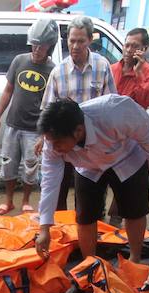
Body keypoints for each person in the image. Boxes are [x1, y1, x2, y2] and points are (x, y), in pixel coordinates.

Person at [35, 97, 149, 263]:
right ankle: (90, 263)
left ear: (78, 131)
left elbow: (148, 134)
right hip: (88, 167)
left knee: (134, 211)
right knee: (85, 216)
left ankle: (135, 258)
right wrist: (44, 229)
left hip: (127, 158)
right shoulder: (53, 141)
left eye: (58, 143)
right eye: (51, 142)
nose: (54, 147)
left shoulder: (115, 111)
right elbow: (49, 181)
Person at [40, 16, 116, 211]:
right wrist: (44, 138)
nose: (75, 46)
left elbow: (111, 105)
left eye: (80, 41)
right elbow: (47, 108)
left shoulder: (102, 66)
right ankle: (61, 231)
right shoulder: (59, 72)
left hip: (92, 143)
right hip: (64, 142)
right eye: (71, 40)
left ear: (90, 40)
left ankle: (90, 229)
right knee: (58, 191)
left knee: (89, 195)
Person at [0, 18, 57, 215]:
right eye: (34, 45)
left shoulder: (52, 70)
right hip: (13, 125)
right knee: (8, 164)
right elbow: (7, 91)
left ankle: (26, 201)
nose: (37, 50)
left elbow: (52, 105)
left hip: (34, 129)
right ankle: (8, 200)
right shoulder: (19, 60)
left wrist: (44, 134)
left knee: (30, 167)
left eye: (41, 46)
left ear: (49, 47)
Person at [112, 28, 149, 110]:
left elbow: (148, 100)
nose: (129, 50)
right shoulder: (112, 68)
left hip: (132, 121)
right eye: (126, 45)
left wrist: (139, 73)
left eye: (134, 46)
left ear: (144, 49)